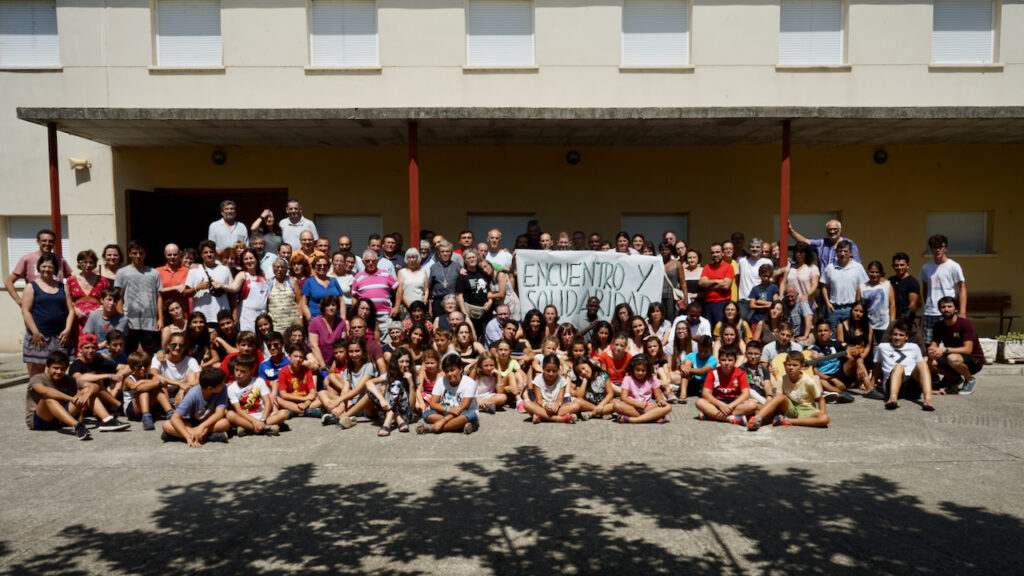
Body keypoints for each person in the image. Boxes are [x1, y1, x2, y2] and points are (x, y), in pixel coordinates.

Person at [20, 253, 75, 377]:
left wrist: (67, 330)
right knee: (37, 373)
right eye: (44, 266)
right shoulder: (31, 287)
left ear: (55, 269)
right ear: (39, 267)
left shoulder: (63, 287)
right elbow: (26, 311)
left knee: (59, 370)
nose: (47, 269)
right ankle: (37, 396)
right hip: (39, 337)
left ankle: (56, 395)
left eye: (50, 267)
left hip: (60, 337)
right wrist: (35, 332)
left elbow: (71, 310)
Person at [747, 351, 830, 430]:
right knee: (778, 396)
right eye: (788, 365)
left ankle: (787, 420)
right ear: (784, 365)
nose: (791, 368)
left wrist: (822, 413)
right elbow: (778, 400)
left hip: (806, 409)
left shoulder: (809, 381)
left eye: (795, 365)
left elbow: (820, 399)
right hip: (790, 408)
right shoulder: (782, 380)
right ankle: (757, 419)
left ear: (802, 366)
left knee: (825, 418)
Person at [25, 350, 97, 440]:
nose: (59, 372)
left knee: (86, 390)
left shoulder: (68, 379)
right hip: (39, 420)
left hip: (60, 419)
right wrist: (72, 399)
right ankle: (77, 426)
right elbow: (46, 392)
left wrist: (85, 396)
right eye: (55, 368)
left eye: (63, 369)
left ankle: (107, 419)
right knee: (48, 398)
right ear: (47, 367)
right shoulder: (37, 379)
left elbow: (94, 386)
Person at [872, 321, 934, 411]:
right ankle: (892, 399)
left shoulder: (914, 347)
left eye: (901, 335)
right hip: (892, 381)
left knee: (923, 363)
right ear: (891, 336)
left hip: (911, 385)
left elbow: (921, 370)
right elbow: (877, 367)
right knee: (899, 366)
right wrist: (870, 385)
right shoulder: (882, 347)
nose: (897, 337)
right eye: (895, 334)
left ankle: (928, 399)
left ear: (906, 337)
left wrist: (930, 388)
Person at [162, 366, 231, 445]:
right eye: (222, 383)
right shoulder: (193, 394)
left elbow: (219, 413)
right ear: (210, 388)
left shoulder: (222, 389)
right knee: (166, 425)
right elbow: (175, 417)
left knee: (225, 423)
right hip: (191, 422)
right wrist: (187, 436)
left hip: (208, 423)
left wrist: (201, 427)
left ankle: (175, 435)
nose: (224, 384)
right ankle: (207, 437)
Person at [928, 296, 983, 395]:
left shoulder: (966, 324)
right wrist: (932, 352)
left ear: (956, 309)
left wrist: (944, 350)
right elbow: (934, 345)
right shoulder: (938, 325)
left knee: (952, 358)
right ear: (940, 310)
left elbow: (968, 350)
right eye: (943, 307)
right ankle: (954, 378)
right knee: (926, 361)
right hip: (951, 357)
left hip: (974, 360)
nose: (946, 309)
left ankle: (970, 379)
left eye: (949, 306)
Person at [225, 353, 290, 436]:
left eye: (242, 371)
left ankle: (249, 429)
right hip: (246, 418)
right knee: (230, 415)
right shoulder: (231, 388)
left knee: (284, 413)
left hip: (263, 416)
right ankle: (266, 428)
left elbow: (267, 402)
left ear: (251, 371)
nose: (238, 373)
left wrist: (262, 420)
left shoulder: (259, 381)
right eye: (236, 370)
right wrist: (254, 421)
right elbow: (238, 410)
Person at [5, 229, 73, 307]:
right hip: (36, 306)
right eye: (44, 240)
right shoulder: (27, 259)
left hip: (58, 305)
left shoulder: (60, 259)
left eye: (50, 241)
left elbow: (72, 281)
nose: (47, 243)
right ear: (38, 242)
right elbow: (8, 282)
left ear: (54, 243)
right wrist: (20, 302)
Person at [919, 234, 967, 344]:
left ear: (945, 248)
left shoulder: (953, 266)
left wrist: (962, 311)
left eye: (940, 247)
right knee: (929, 344)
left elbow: (962, 288)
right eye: (935, 247)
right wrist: (927, 304)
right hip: (930, 312)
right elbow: (925, 287)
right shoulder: (926, 268)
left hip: (948, 311)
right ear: (931, 249)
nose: (938, 250)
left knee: (951, 343)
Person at [417, 353, 480, 434]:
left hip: (465, 413)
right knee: (427, 414)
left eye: (452, 370)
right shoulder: (441, 381)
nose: (449, 374)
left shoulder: (469, 382)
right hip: (448, 412)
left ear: (460, 369)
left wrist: (443, 420)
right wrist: (448, 409)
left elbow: (464, 407)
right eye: (446, 371)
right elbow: (433, 404)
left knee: (471, 414)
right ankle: (459, 426)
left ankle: (431, 428)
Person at [695, 346, 756, 425]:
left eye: (730, 360)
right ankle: (730, 418)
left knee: (752, 405)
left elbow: (745, 394)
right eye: (723, 360)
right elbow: (706, 393)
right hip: (717, 403)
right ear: (719, 360)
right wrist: (720, 405)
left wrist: (730, 406)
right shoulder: (713, 373)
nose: (726, 363)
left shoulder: (741, 373)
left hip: (734, 404)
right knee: (699, 402)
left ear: (735, 361)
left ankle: (711, 416)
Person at [820, 240, 868, 330]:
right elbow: (824, 287)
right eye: (840, 251)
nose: (842, 254)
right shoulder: (830, 268)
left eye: (845, 251)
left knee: (850, 335)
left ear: (850, 253)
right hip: (834, 309)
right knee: (833, 337)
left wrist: (856, 306)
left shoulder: (857, 267)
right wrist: (827, 303)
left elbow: (861, 287)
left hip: (850, 309)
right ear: (836, 252)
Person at [613, 355, 672, 424]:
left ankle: (632, 420)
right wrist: (637, 404)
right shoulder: (628, 378)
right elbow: (623, 397)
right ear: (633, 369)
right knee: (616, 405)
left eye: (643, 370)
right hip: (632, 407)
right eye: (637, 370)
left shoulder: (651, 378)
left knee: (668, 407)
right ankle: (652, 417)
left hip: (647, 407)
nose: (640, 373)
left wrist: (661, 401)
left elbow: (658, 395)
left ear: (647, 370)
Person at [123, 350, 173, 430]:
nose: (143, 368)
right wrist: (155, 383)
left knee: (158, 388)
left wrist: (144, 381)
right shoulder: (128, 379)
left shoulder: (150, 376)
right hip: (133, 410)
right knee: (144, 390)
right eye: (139, 367)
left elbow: (164, 382)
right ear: (132, 368)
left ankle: (170, 413)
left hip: (150, 407)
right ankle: (146, 417)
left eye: (145, 365)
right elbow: (136, 388)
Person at [808, 321, 857, 403]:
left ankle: (838, 391)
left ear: (831, 332)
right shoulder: (812, 349)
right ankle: (841, 393)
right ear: (816, 333)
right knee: (821, 382)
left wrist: (856, 360)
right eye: (820, 331)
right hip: (824, 377)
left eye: (825, 330)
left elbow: (850, 356)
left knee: (853, 359)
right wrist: (834, 380)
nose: (823, 333)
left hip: (839, 374)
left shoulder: (836, 343)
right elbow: (815, 372)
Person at [186, 240, 233, 323]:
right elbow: (185, 293)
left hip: (223, 318)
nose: (209, 254)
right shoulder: (194, 271)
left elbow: (231, 294)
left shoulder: (225, 270)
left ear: (215, 253)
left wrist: (235, 314)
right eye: (205, 252)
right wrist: (198, 288)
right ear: (201, 255)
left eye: (211, 252)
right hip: (201, 319)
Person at [523, 354, 579, 424]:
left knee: (576, 405)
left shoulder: (562, 381)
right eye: (548, 370)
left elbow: (560, 400)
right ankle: (560, 418)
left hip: (556, 408)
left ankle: (542, 417)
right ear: (543, 369)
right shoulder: (537, 380)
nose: (551, 373)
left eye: (554, 371)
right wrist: (545, 405)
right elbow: (539, 401)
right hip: (543, 406)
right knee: (527, 404)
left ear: (558, 370)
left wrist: (556, 405)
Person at [788, 219, 861, 271]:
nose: (832, 231)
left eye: (835, 229)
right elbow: (805, 241)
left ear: (840, 230)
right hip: (825, 287)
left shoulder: (849, 244)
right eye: (830, 229)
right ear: (826, 231)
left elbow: (857, 264)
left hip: (843, 285)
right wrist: (791, 231)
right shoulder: (822, 243)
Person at [66, 249, 110, 337]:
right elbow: (66, 300)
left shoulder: (103, 280)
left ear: (95, 264)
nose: (88, 265)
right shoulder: (71, 280)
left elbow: (109, 299)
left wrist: (99, 309)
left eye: (91, 262)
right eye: (84, 262)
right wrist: (74, 310)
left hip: (98, 319)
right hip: (77, 319)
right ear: (79, 263)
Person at [353, 249, 398, 330]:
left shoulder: (386, 274)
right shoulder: (357, 277)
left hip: (384, 316)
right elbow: (354, 297)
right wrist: (356, 315)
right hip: (365, 316)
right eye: (367, 261)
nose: (370, 263)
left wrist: (396, 306)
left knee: (386, 342)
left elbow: (399, 289)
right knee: (368, 341)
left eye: (373, 261)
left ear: (377, 261)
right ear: (363, 262)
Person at [275, 343, 323, 417]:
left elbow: (312, 393)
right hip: (290, 401)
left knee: (321, 397)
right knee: (276, 399)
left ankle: (294, 411)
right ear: (289, 356)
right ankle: (306, 412)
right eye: (295, 356)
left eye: (301, 357)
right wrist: (303, 398)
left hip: (306, 401)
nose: (298, 359)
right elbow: (283, 394)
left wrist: (305, 403)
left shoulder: (307, 371)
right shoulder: (283, 372)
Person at [858, 261, 894, 345]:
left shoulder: (887, 285)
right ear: (867, 272)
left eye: (877, 272)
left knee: (884, 349)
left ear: (881, 273)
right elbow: (857, 307)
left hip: (883, 325)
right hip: (866, 325)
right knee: (866, 350)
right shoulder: (861, 287)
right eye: (872, 272)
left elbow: (892, 305)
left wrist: (892, 323)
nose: (874, 274)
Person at [307, 295, 347, 371]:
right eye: (328, 305)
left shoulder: (342, 323)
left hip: (336, 362)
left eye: (334, 305)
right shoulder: (315, 322)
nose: (331, 308)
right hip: (318, 361)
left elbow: (342, 345)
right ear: (323, 307)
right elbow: (314, 345)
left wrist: (333, 366)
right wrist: (323, 365)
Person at [737, 238, 773, 321]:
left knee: (759, 326)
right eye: (752, 247)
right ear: (749, 248)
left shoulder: (767, 262)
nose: (755, 249)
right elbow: (738, 279)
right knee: (743, 326)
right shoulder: (742, 261)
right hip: (744, 300)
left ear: (761, 249)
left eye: (757, 247)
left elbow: (769, 281)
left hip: (760, 301)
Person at [698, 243, 734, 327]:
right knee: (708, 330)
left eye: (717, 252)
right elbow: (701, 283)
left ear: (722, 253)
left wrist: (708, 284)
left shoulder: (728, 267)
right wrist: (718, 281)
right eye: (713, 253)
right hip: (707, 304)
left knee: (721, 329)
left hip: (722, 303)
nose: (715, 255)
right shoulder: (707, 267)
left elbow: (726, 286)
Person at [781, 242, 819, 312]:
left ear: (806, 253)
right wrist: (781, 296)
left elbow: (815, 284)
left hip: (806, 305)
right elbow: (783, 283)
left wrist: (806, 295)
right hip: (790, 304)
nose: (798, 254)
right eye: (796, 252)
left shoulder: (813, 268)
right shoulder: (790, 266)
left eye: (801, 252)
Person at [156, 243, 191, 315]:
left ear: (180, 254)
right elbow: (154, 291)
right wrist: (175, 288)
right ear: (165, 254)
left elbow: (190, 290)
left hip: (183, 314)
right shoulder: (157, 271)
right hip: (163, 314)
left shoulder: (188, 271)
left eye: (175, 254)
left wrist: (164, 289)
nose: (172, 257)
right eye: (169, 255)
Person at [740, 340, 775, 406]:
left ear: (761, 355)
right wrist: (764, 402)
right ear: (745, 354)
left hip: (763, 397)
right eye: (750, 353)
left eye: (756, 354)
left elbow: (767, 385)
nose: (753, 357)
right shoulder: (741, 369)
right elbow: (748, 389)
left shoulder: (764, 370)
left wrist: (769, 396)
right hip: (749, 398)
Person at [395, 247, 427, 319]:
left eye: (414, 257)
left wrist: (424, 302)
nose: (412, 260)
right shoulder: (401, 272)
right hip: (406, 307)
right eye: (409, 257)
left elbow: (426, 289)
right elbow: (400, 291)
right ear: (406, 259)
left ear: (417, 258)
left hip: (420, 308)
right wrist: (410, 306)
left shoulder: (423, 271)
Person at [889, 252, 921, 321]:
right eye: (896, 265)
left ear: (908, 265)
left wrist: (903, 318)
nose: (899, 267)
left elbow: (913, 304)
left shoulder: (912, 282)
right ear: (893, 266)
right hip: (891, 319)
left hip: (905, 320)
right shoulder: (890, 280)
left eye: (902, 265)